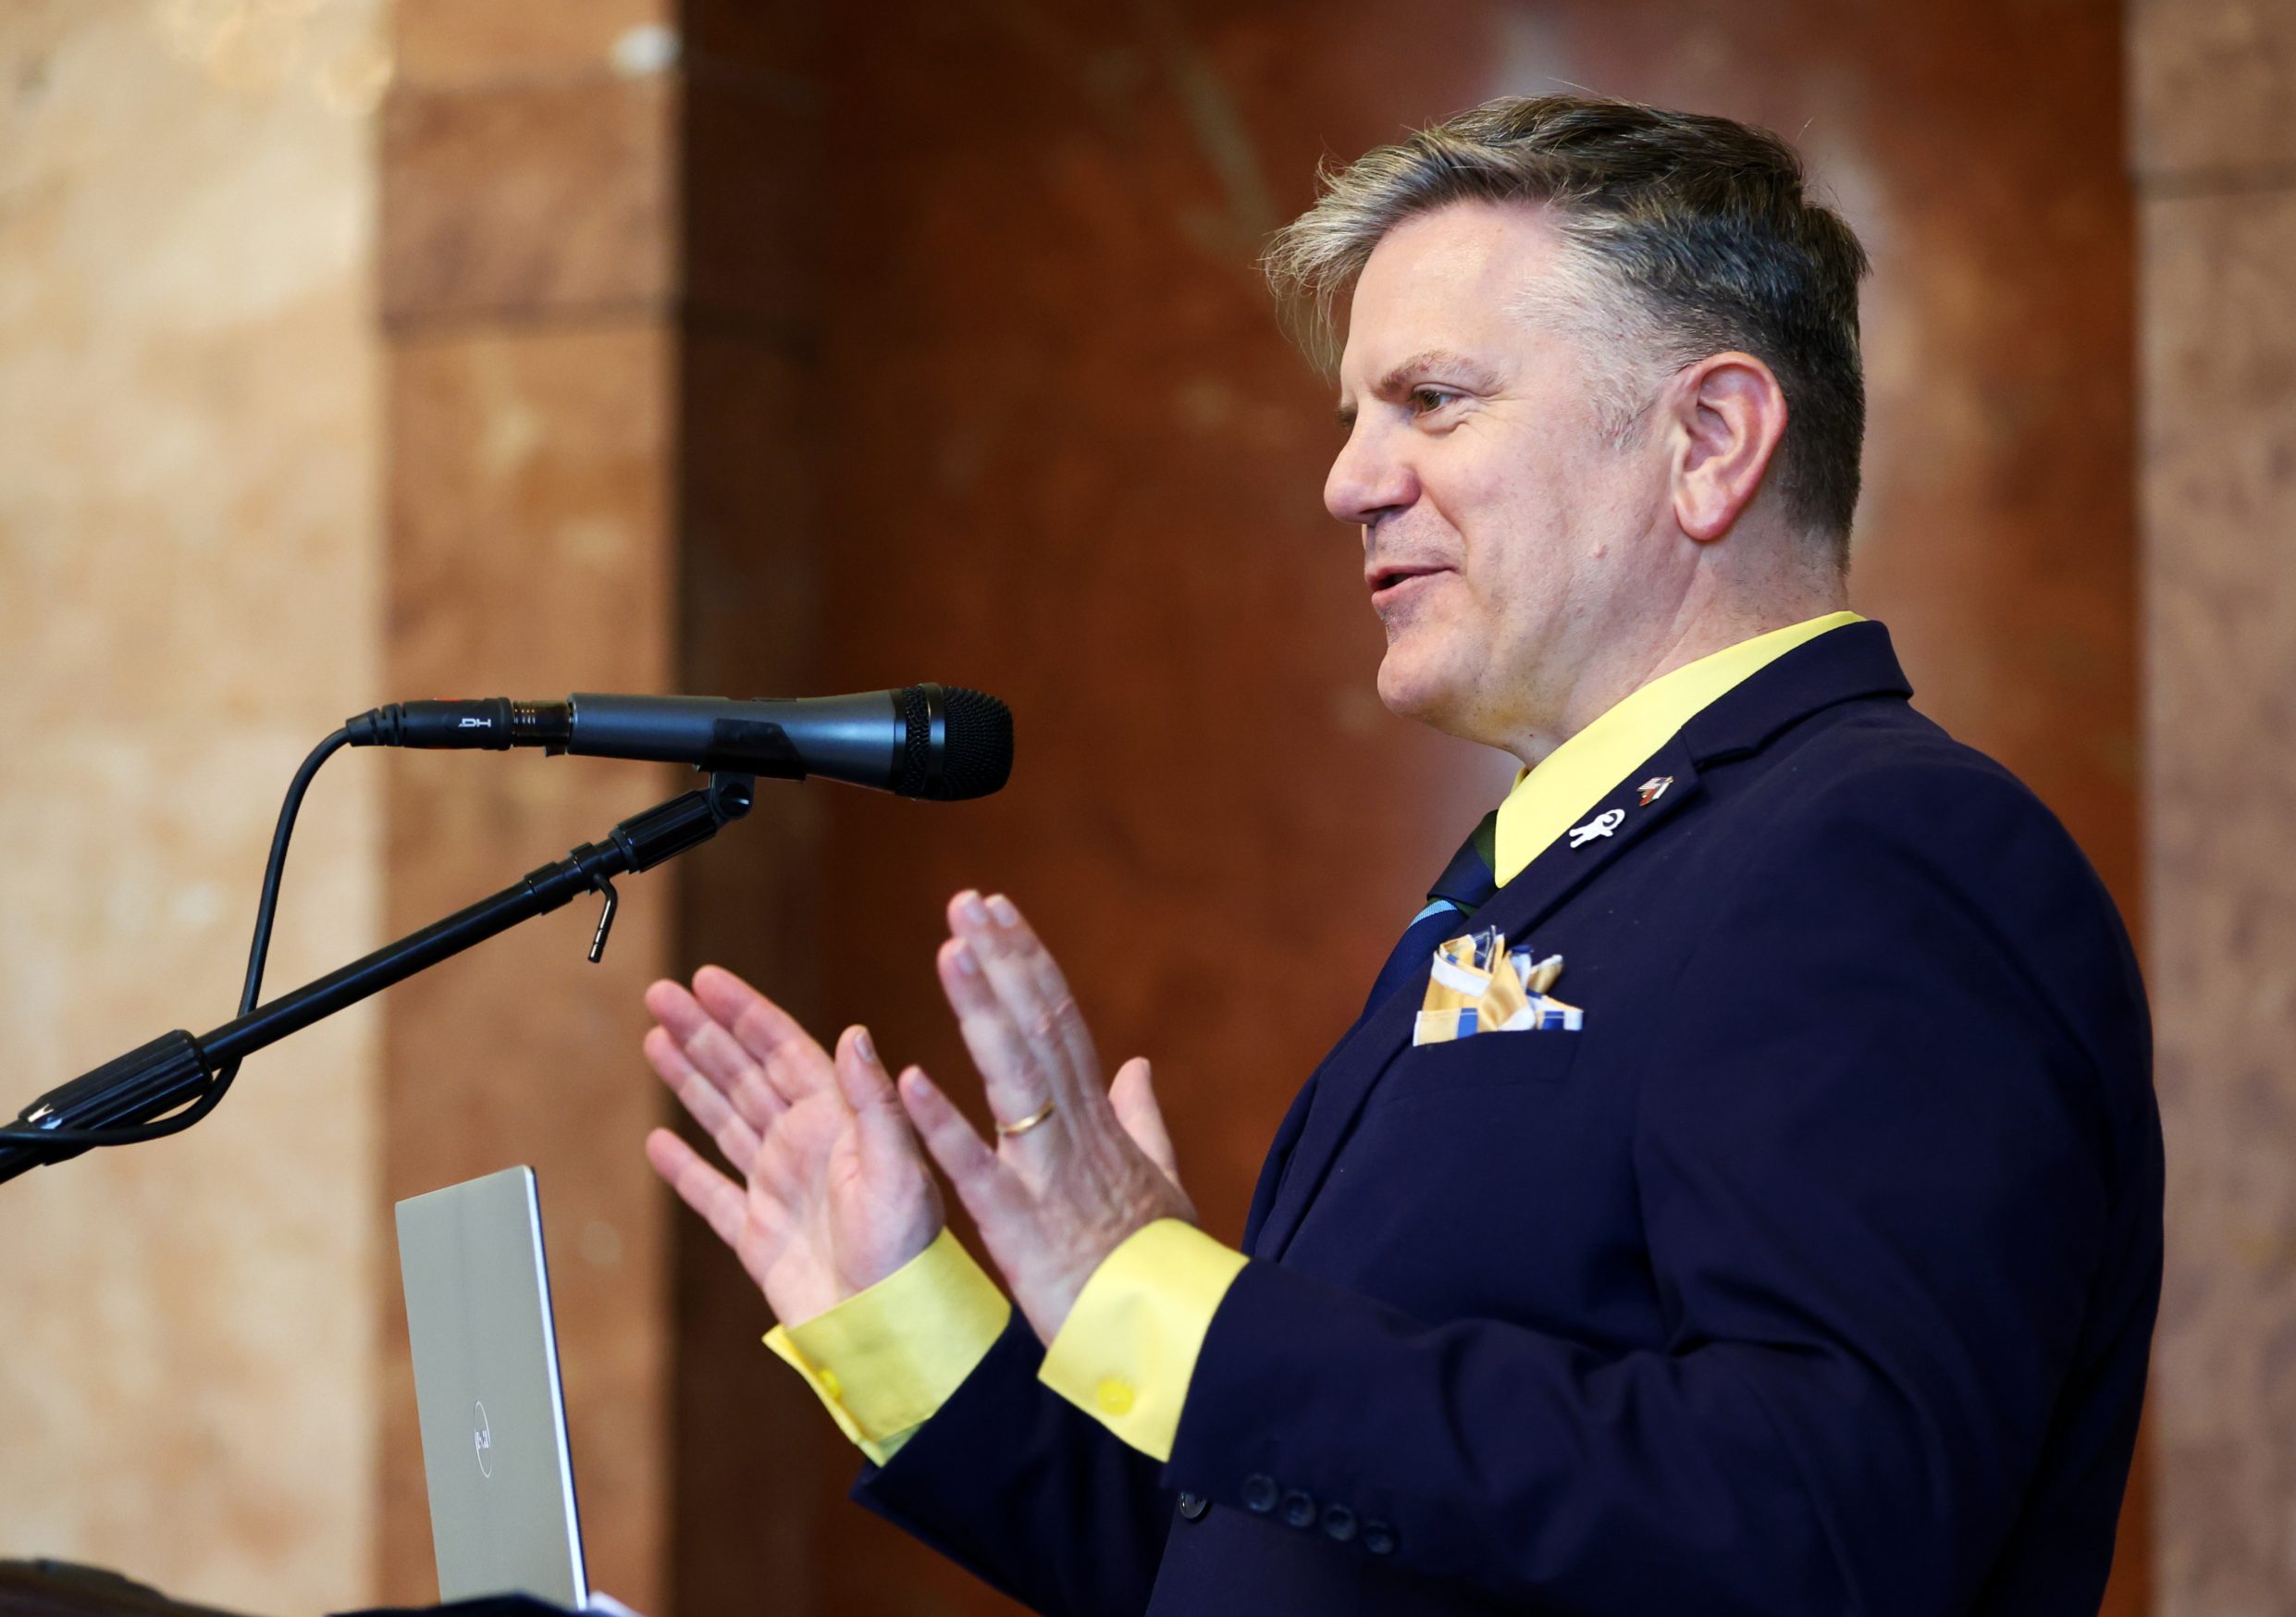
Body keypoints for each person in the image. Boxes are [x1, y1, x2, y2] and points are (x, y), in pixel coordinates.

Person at [638, 95, 2159, 1615]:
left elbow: (1827, 1523)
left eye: (1432, 401)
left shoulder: (1879, 851)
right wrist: (913, 1330)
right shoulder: (1553, 873)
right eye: (1354, 418)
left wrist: (1171, 1304)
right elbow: (1270, 1567)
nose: (1349, 481)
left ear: (1708, 442)